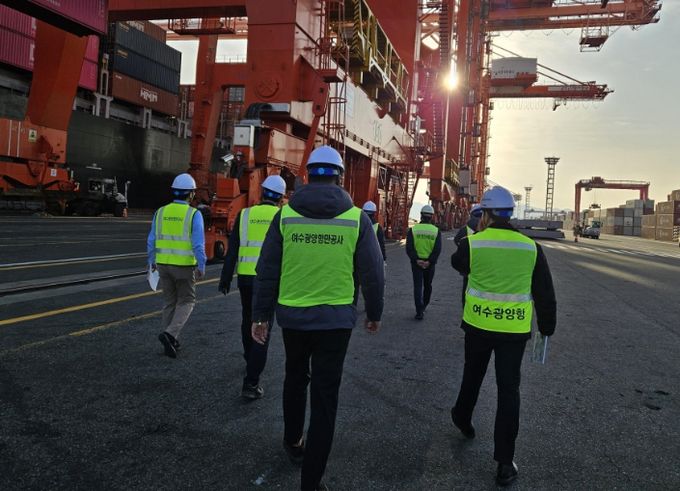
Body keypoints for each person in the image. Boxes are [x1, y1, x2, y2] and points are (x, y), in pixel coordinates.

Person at [251, 145, 384, 491]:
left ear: (308, 176)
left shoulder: (285, 216)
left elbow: (267, 269)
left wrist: (261, 315)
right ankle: (311, 480)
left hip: (293, 317)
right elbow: (372, 273)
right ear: (340, 177)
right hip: (336, 321)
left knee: (295, 378)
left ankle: (293, 441)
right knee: (325, 397)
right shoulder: (357, 219)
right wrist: (374, 312)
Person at [449, 186, 556, 487]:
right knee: (509, 391)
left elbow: (458, 264)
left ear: (484, 214)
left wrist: (471, 239)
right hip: (513, 332)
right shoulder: (530, 248)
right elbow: (545, 293)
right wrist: (547, 328)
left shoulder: (473, 244)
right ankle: (505, 463)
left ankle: (462, 417)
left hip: (478, 326)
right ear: (510, 214)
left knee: (472, 376)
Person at [218, 174, 287, 399]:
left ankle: (250, 357)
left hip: (246, 278)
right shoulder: (283, 216)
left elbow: (233, 250)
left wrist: (225, 278)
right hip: (270, 280)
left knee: (247, 318)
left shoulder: (245, 214)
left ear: (262, 192)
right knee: (263, 325)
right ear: (281, 198)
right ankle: (251, 382)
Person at [147, 173, 207, 358]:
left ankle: (170, 339)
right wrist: (202, 265)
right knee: (187, 301)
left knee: (169, 302)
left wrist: (151, 262)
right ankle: (170, 334)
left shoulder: (160, 212)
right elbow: (198, 244)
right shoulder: (194, 214)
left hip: (163, 265)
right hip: (183, 266)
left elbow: (151, 240)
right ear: (191, 194)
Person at [405, 204, 442, 320]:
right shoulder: (436, 231)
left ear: (421, 215)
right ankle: (424, 305)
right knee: (427, 285)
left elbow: (409, 248)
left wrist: (416, 259)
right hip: (429, 264)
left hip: (416, 263)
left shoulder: (413, 230)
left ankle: (419, 311)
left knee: (418, 286)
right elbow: (437, 249)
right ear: (432, 216)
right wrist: (429, 261)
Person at [454, 204, 483, 306]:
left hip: (467, 264)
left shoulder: (465, 229)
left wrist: (464, 251)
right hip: (482, 264)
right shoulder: (486, 228)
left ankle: (466, 306)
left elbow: (456, 240)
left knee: (466, 288)